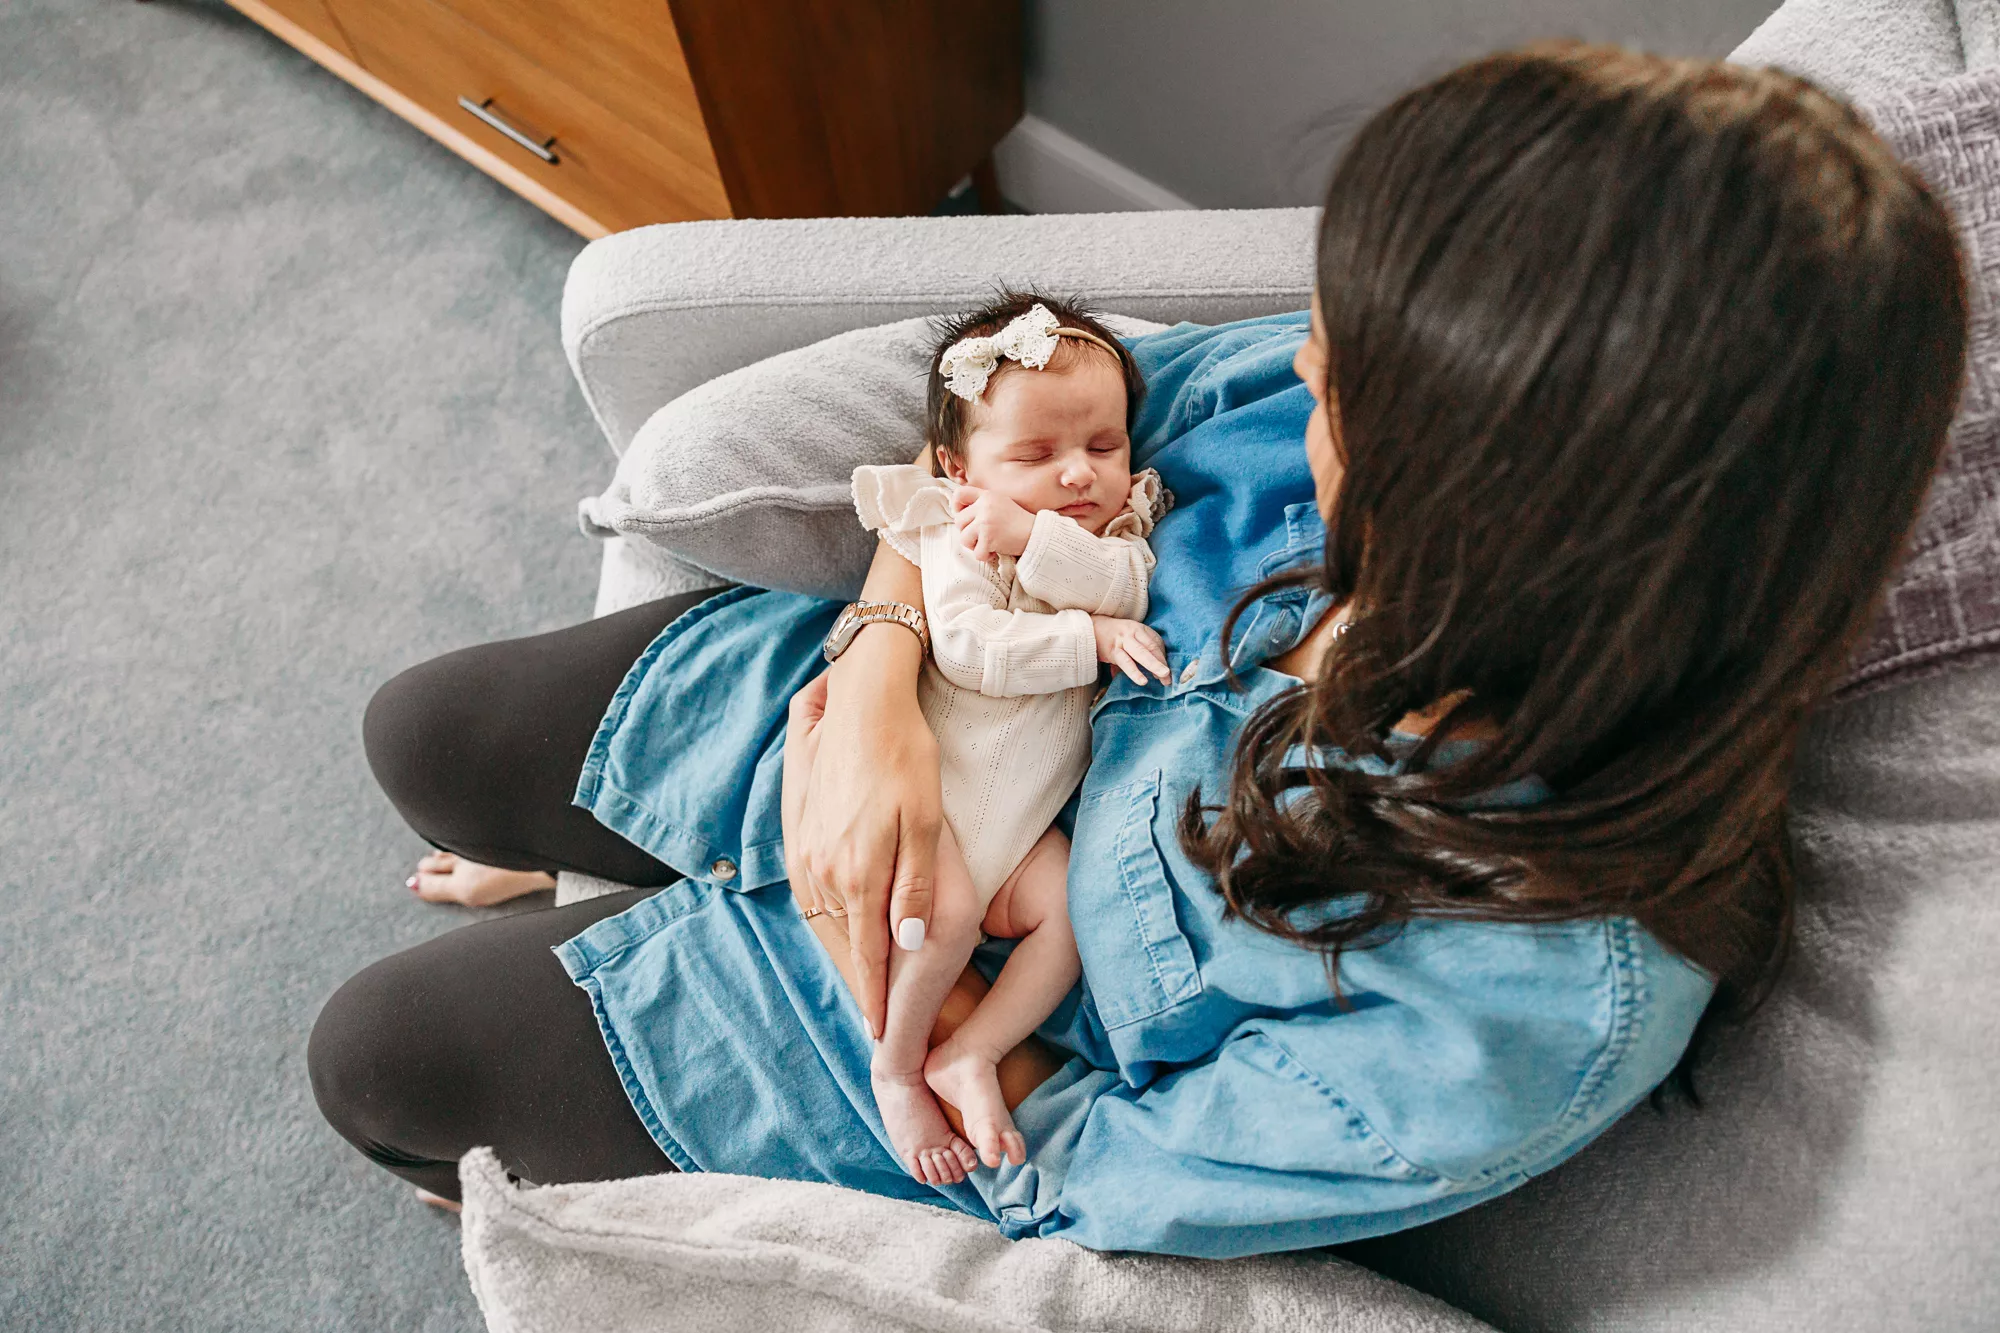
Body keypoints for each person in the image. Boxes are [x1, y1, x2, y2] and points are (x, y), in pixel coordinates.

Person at [309, 44, 1967, 1255]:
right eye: (1330, 320)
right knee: (423, 735)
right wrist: (881, 666)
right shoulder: (1310, 394)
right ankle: (588, 875)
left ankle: (622, 979)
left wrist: (952, 1008)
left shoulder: (1533, 1002)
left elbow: (1122, 1166)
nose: (1294, 364)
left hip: (958, 1034)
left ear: (1510, 518)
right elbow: (1000, 448)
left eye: (1347, 385)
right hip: (912, 705)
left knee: (379, 1056)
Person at [845, 293, 1172, 1184]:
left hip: (1021, 829)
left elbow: (1124, 594)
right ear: (960, 468)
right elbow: (970, 647)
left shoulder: (1118, 536)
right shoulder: (960, 532)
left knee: (1072, 909)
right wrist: (1084, 637)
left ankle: (973, 1052)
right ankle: (897, 1066)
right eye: (1035, 455)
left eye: (1103, 447)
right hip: (940, 806)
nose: (1078, 475)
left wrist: (1039, 535)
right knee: (942, 914)